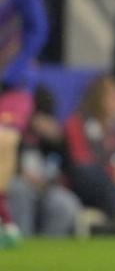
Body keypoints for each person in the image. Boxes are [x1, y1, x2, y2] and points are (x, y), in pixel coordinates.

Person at [0, 0, 49, 248]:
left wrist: (13, 72)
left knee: (5, 140)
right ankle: (6, 219)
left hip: (11, 84)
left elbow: (37, 28)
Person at [63, 75, 115, 228]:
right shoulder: (77, 123)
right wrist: (114, 173)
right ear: (98, 98)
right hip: (90, 186)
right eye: (113, 94)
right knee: (88, 172)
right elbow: (81, 162)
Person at [7, 85, 81, 238]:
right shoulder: (14, 132)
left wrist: (59, 141)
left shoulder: (52, 139)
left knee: (65, 203)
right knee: (19, 190)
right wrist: (22, 174)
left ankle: (50, 249)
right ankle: (22, 239)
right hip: (18, 183)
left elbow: (66, 168)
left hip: (45, 188)